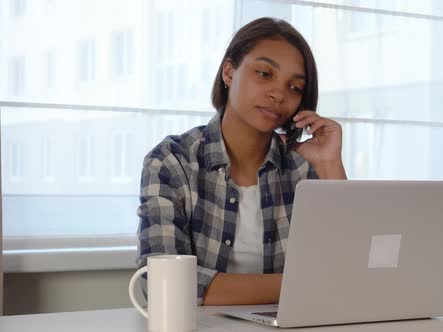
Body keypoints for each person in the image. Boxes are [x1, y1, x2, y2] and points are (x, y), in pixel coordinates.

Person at [136, 17, 347, 306]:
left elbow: (349, 271)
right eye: (264, 73)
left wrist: (330, 164)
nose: (279, 94)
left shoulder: (304, 167)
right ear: (229, 72)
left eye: (295, 87)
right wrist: (304, 284)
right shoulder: (172, 162)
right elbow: (161, 283)